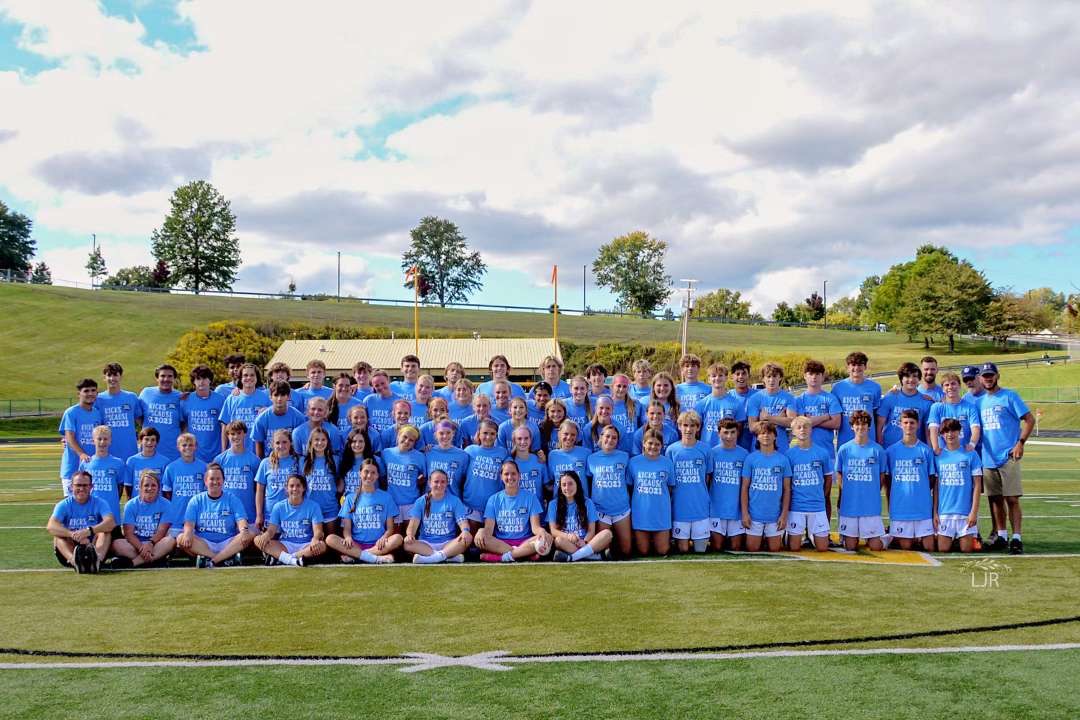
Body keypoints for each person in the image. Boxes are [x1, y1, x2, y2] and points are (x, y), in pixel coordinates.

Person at [976, 362, 1034, 554]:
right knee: (995, 500)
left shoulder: (1009, 396)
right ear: (980, 378)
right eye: (985, 375)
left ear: (997, 376)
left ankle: (1017, 538)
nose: (988, 378)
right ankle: (1001, 535)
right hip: (988, 457)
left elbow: (1029, 419)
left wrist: (1020, 443)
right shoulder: (979, 402)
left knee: (1012, 499)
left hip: (1008, 455)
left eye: (991, 375)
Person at [177, 463, 253, 568]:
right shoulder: (196, 500)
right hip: (204, 543)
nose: (215, 482)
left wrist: (244, 531)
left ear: (223, 480)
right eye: (212, 479)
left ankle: (212, 560)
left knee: (250, 533)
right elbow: (189, 524)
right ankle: (221, 559)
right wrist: (188, 533)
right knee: (181, 538)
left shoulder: (232, 499)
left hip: (228, 542)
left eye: (218, 479)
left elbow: (241, 521)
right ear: (205, 481)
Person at [327, 459, 401, 564]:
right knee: (330, 539)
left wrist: (384, 538)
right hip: (356, 544)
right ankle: (375, 558)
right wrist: (348, 538)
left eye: (373, 473)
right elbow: (347, 528)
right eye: (366, 472)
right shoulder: (350, 498)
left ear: (377, 476)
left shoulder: (386, 497)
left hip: (378, 545)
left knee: (398, 538)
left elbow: (390, 528)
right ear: (360, 473)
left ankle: (359, 556)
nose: (369, 476)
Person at [475, 460, 551, 562]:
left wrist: (542, 531)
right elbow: (489, 530)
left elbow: (535, 528)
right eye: (506, 474)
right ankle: (523, 554)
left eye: (513, 474)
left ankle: (501, 558)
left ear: (519, 476)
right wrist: (481, 531)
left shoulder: (531, 497)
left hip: (525, 541)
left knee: (548, 538)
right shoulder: (493, 499)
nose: (510, 477)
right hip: (500, 543)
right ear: (501, 477)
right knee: (480, 539)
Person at [883, 409, 936, 551]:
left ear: (918, 425)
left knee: (929, 547)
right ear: (900, 424)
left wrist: (921, 491)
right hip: (900, 508)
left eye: (912, 423)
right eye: (905, 422)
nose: (908, 426)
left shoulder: (926, 450)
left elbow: (931, 479)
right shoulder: (891, 451)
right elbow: (888, 482)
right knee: (906, 547)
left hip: (922, 508)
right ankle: (895, 536)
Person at [835, 410, 887, 551]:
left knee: (876, 547)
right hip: (850, 505)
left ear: (869, 427)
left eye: (864, 424)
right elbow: (839, 472)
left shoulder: (878, 450)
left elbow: (882, 476)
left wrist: (873, 491)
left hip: (870, 506)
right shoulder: (844, 449)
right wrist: (844, 490)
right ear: (852, 426)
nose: (860, 427)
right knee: (850, 547)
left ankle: (888, 536)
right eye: (857, 424)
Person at [47, 469, 115, 572]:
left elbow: (111, 522)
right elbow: (51, 526)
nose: (81, 489)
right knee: (58, 536)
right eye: (78, 485)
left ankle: (97, 561)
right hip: (72, 546)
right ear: (71, 487)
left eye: (85, 485)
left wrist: (89, 531)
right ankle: (75, 562)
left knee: (106, 532)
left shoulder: (100, 503)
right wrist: (72, 534)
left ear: (91, 487)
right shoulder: (63, 505)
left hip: (93, 546)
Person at [740, 422, 792, 552]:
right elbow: (745, 488)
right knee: (752, 548)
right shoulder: (750, 459)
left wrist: (784, 515)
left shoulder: (783, 460)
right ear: (757, 437)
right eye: (762, 433)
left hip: (774, 516)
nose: (766, 436)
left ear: (775, 436)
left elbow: (787, 489)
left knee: (775, 549)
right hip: (754, 515)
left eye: (769, 433)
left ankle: (779, 536)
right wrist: (745, 514)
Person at [666, 410, 713, 553]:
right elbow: (669, 481)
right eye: (685, 425)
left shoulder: (705, 449)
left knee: (700, 550)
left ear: (698, 428)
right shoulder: (672, 450)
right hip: (680, 508)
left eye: (692, 426)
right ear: (679, 427)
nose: (688, 429)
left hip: (700, 508)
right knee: (683, 550)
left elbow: (707, 477)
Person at [255, 474, 327, 566]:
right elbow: (271, 531)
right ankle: (295, 561)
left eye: (298, 486)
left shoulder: (313, 506)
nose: (294, 489)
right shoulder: (278, 506)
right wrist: (266, 536)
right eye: (291, 486)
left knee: (322, 546)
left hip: (306, 545)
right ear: (286, 488)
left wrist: (315, 539)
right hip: (285, 544)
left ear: (304, 488)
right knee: (257, 540)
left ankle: (284, 558)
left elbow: (318, 531)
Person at [784, 416, 833, 552]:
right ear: (793, 431)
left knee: (823, 548)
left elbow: (828, 478)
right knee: (794, 548)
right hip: (796, 506)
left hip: (817, 506)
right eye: (798, 427)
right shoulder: (789, 455)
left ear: (811, 430)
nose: (802, 430)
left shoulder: (822, 452)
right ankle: (789, 535)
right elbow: (787, 483)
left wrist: (822, 496)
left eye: (806, 427)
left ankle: (813, 535)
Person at [934, 418, 983, 553]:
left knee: (966, 550)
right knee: (943, 549)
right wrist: (935, 513)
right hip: (945, 512)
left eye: (953, 430)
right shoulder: (938, 456)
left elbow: (977, 485)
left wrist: (973, 512)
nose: (950, 434)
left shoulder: (970, 454)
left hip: (965, 512)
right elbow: (936, 487)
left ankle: (970, 536)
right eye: (946, 431)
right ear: (942, 435)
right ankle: (954, 538)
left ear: (959, 432)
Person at [404, 468, 472, 564]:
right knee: (407, 544)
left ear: (447, 483)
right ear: (429, 483)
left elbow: (463, 522)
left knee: (468, 538)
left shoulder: (454, 501)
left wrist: (465, 531)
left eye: (443, 482)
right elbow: (412, 525)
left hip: (448, 543)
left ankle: (433, 557)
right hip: (426, 544)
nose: (439, 485)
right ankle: (446, 557)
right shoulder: (421, 501)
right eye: (436, 482)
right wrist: (410, 535)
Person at [112, 469, 174, 568]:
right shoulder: (131, 505)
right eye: (146, 485)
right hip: (136, 544)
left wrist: (150, 544)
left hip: (155, 543)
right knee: (117, 544)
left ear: (158, 488)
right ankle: (155, 560)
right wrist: (142, 548)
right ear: (140, 487)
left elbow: (161, 531)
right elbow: (128, 534)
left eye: (153, 485)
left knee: (170, 541)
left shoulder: (166, 504)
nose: (150, 488)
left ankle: (133, 563)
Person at [586, 425, 632, 558]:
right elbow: (589, 480)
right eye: (607, 436)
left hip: (621, 509)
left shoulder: (625, 457)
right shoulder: (591, 458)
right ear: (601, 437)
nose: (610, 440)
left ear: (618, 441)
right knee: (604, 552)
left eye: (614, 438)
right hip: (600, 510)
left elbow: (628, 481)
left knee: (626, 551)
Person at [628, 429, 675, 557]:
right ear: (643, 443)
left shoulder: (667, 463)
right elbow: (630, 486)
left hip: (661, 513)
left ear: (662, 446)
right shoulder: (633, 462)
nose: (653, 447)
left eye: (657, 444)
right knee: (643, 552)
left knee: (662, 551)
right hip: (641, 513)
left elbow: (670, 487)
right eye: (650, 443)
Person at [549, 470, 612, 561]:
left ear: (577, 484)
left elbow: (591, 530)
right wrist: (568, 536)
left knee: (607, 533)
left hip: (587, 542)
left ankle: (572, 557)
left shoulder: (588, 503)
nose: (567, 487)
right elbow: (553, 531)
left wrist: (584, 541)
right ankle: (592, 556)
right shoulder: (553, 504)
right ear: (560, 488)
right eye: (564, 485)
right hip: (568, 543)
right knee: (558, 541)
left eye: (570, 484)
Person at [77, 425, 127, 533]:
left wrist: (112, 500)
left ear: (110, 441)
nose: (102, 442)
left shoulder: (118, 463)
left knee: (116, 546)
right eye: (99, 439)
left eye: (105, 439)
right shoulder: (86, 463)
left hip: (112, 513)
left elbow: (120, 486)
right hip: (91, 513)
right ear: (93, 440)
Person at [59, 378, 105, 495]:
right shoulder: (71, 412)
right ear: (79, 393)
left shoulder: (97, 413)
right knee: (72, 505)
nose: (90, 394)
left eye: (93, 390)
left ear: (97, 393)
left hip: (92, 467)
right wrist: (81, 454)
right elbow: (69, 437)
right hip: (73, 466)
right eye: (86, 391)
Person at [830, 351, 882, 452]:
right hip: (845, 440)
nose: (856, 368)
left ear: (865, 367)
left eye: (860, 365)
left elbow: (876, 415)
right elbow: (835, 415)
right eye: (853, 365)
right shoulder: (837, 388)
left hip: (869, 440)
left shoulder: (875, 387)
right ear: (848, 367)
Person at [462, 419, 508, 532]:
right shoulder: (470, 450)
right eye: (485, 433)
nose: (488, 437)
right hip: (471, 503)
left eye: (492, 434)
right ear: (478, 433)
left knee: (488, 536)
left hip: (493, 505)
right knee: (471, 537)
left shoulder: (503, 452)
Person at [709, 419, 749, 551]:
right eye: (725, 432)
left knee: (736, 547)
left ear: (738, 433)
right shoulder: (712, 453)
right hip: (716, 509)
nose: (729, 436)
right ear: (718, 433)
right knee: (717, 547)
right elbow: (707, 481)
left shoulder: (744, 454)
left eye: (733, 432)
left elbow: (746, 485)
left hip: (736, 510)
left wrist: (744, 511)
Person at [162, 433, 208, 541]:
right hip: (177, 518)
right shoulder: (171, 468)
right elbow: (167, 493)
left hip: (198, 518)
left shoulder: (204, 467)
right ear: (178, 447)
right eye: (184, 445)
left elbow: (207, 494)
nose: (187, 448)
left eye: (190, 445)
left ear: (195, 446)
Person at [876, 362, 934, 448]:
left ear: (919, 379)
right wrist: (880, 446)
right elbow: (879, 426)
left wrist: (930, 451)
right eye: (907, 376)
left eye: (914, 376)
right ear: (901, 379)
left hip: (914, 450)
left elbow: (928, 432)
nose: (911, 380)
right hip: (889, 447)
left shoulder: (926, 402)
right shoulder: (890, 397)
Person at [380, 424, 426, 531]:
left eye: (411, 440)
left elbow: (425, 476)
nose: (407, 441)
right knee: (393, 534)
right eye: (404, 437)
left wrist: (416, 483)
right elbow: (382, 475)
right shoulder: (386, 453)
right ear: (398, 435)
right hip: (392, 501)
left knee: (409, 535)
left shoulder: (419, 457)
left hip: (411, 502)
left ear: (415, 443)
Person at [254, 429, 302, 531]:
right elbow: (260, 491)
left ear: (291, 443)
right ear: (272, 445)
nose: (281, 446)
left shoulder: (298, 461)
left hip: (293, 512)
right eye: (277, 443)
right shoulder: (265, 463)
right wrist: (259, 514)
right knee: (269, 542)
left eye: (284, 442)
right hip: (271, 512)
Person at [95, 362, 143, 463]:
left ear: (120, 377)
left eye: (115, 375)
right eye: (109, 375)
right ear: (104, 377)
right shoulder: (98, 399)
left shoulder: (131, 397)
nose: (112, 378)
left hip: (129, 451)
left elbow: (141, 421)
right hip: (107, 452)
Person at [214, 421, 259, 526]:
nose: (236, 436)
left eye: (239, 433)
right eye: (232, 434)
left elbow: (258, 489)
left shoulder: (254, 460)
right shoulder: (219, 460)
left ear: (245, 434)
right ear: (227, 435)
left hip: (248, 513)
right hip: (225, 513)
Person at [793, 360, 842, 456]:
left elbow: (836, 423)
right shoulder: (799, 400)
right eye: (810, 374)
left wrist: (811, 421)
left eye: (817, 374)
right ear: (805, 376)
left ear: (823, 377)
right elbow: (802, 424)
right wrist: (825, 416)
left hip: (826, 451)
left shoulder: (830, 398)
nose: (814, 377)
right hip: (805, 452)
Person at [219, 363, 270, 454]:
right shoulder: (232, 398)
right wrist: (223, 450)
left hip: (259, 452)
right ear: (240, 379)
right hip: (236, 451)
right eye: (245, 375)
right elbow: (224, 427)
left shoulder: (265, 397)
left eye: (252, 375)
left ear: (257, 377)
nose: (249, 378)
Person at [746, 362, 797, 452]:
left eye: (774, 376)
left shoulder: (788, 398)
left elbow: (792, 422)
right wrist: (779, 420)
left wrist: (767, 418)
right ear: (763, 379)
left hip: (781, 447)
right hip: (759, 449)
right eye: (768, 377)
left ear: (780, 377)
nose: (771, 380)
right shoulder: (755, 399)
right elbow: (752, 427)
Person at [927, 372, 982, 455]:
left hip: (964, 453)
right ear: (942, 388)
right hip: (944, 454)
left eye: (953, 384)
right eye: (946, 385)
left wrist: (972, 444)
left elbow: (975, 429)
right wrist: (935, 448)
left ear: (959, 386)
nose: (950, 387)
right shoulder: (936, 407)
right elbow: (933, 429)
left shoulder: (970, 407)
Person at [695, 363, 745, 447]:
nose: (717, 378)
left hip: (727, 450)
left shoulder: (736, 404)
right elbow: (697, 430)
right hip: (707, 449)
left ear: (726, 378)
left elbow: (739, 430)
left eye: (720, 375)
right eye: (714, 376)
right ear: (709, 379)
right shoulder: (701, 404)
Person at [139, 364, 184, 461]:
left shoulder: (180, 397)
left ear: (174, 379)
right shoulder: (146, 393)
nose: (166, 379)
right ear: (157, 378)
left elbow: (184, 423)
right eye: (162, 376)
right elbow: (139, 416)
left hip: (172, 452)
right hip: (148, 451)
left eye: (170, 376)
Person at [302, 426, 341, 535]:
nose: (320, 443)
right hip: (310, 508)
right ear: (311, 442)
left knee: (330, 541)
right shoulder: (303, 461)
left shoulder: (335, 460)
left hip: (330, 508)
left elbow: (340, 483)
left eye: (323, 440)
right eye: (317, 440)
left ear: (328, 442)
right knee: (314, 543)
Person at [183, 364, 226, 462]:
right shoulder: (186, 400)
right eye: (198, 379)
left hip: (216, 454)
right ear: (193, 381)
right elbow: (183, 425)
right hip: (194, 454)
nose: (201, 382)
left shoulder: (220, 399)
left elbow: (224, 426)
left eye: (204, 378)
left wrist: (224, 451)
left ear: (210, 380)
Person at [251, 381, 306, 458]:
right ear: (270, 397)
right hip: (270, 461)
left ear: (289, 396)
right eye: (276, 395)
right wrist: (263, 464)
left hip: (292, 461)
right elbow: (259, 443)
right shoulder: (261, 419)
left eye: (283, 395)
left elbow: (302, 443)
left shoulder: (298, 418)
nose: (279, 399)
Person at [125, 428, 170, 509]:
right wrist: (130, 501)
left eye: (153, 440)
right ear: (140, 441)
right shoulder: (132, 461)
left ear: (157, 442)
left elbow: (165, 487)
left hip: (157, 504)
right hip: (138, 504)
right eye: (146, 439)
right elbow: (128, 485)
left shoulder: (165, 462)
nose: (149, 443)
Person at [424, 420, 470, 497]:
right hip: (431, 500)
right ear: (435, 435)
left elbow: (464, 480)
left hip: (452, 501)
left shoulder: (462, 455)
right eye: (441, 433)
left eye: (448, 433)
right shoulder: (428, 452)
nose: (445, 436)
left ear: (453, 434)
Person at [509, 425, 550, 504]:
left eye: (526, 438)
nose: (523, 442)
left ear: (531, 440)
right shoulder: (510, 462)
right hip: (517, 510)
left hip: (537, 510)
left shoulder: (539, 460)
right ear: (514, 441)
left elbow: (547, 486)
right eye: (519, 439)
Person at [547, 419, 591, 492]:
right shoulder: (552, 455)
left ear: (577, 436)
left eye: (573, 434)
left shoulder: (586, 453)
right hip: (560, 501)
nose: (569, 437)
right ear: (559, 434)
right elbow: (551, 479)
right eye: (566, 434)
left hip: (581, 501)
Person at [338, 428, 383, 495]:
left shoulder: (376, 460)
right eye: (354, 441)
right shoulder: (344, 461)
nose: (357, 444)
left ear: (366, 442)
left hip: (369, 503)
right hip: (350, 503)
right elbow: (340, 489)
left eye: (361, 441)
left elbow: (382, 483)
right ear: (349, 443)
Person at [728, 360, 758, 451]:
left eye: (744, 373)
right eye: (737, 374)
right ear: (732, 377)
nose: (741, 376)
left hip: (754, 446)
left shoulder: (758, 396)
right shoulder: (727, 397)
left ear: (749, 376)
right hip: (734, 446)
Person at [363, 370, 399, 435]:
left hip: (392, 439)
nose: (380, 387)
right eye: (376, 385)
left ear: (388, 381)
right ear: (373, 387)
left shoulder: (399, 400)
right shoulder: (368, 400)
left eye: (383, 383)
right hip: (374, 441)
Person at [327, 373, 362, 438]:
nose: (344, 388)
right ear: (334, 386)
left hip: (353, 445)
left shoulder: (358, 404)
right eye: (341, 385)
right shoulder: (326, 406)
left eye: (347, 385)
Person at [609, 374, 640, 442]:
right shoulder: (607, 404)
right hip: (614, 447)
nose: (621, 389)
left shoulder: (636, 404)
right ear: (612, 387)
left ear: (628, 388)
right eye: (619, 386)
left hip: (632, 448)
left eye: (624, 386)